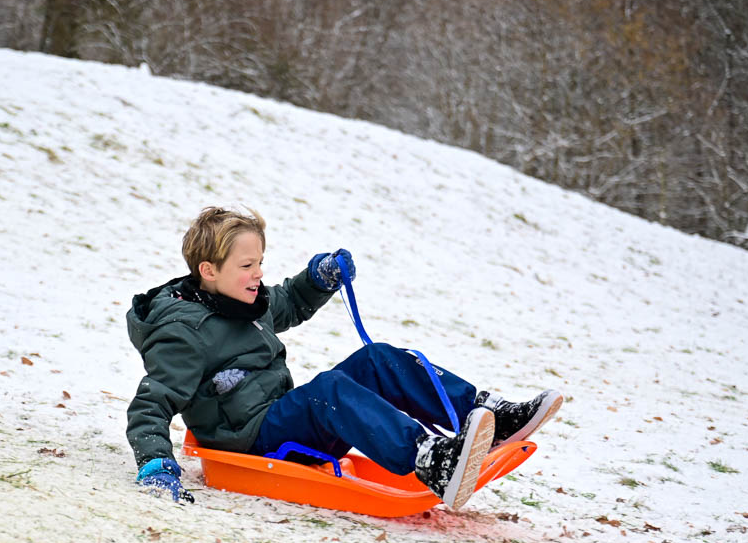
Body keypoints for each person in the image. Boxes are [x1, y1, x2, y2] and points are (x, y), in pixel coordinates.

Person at [125, 207, 563, 509]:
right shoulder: (183, 331)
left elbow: (289, 302)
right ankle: (430, 460)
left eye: (259, 261)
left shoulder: (243, 299)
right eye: (246, 265)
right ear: (208, 270)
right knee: (328, 392)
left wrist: (318, 279)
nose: (258, 273)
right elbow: (153, 400)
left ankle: (485, 413)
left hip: (277, 417)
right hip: (251, 438)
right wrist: (155, 461)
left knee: (375, 359)